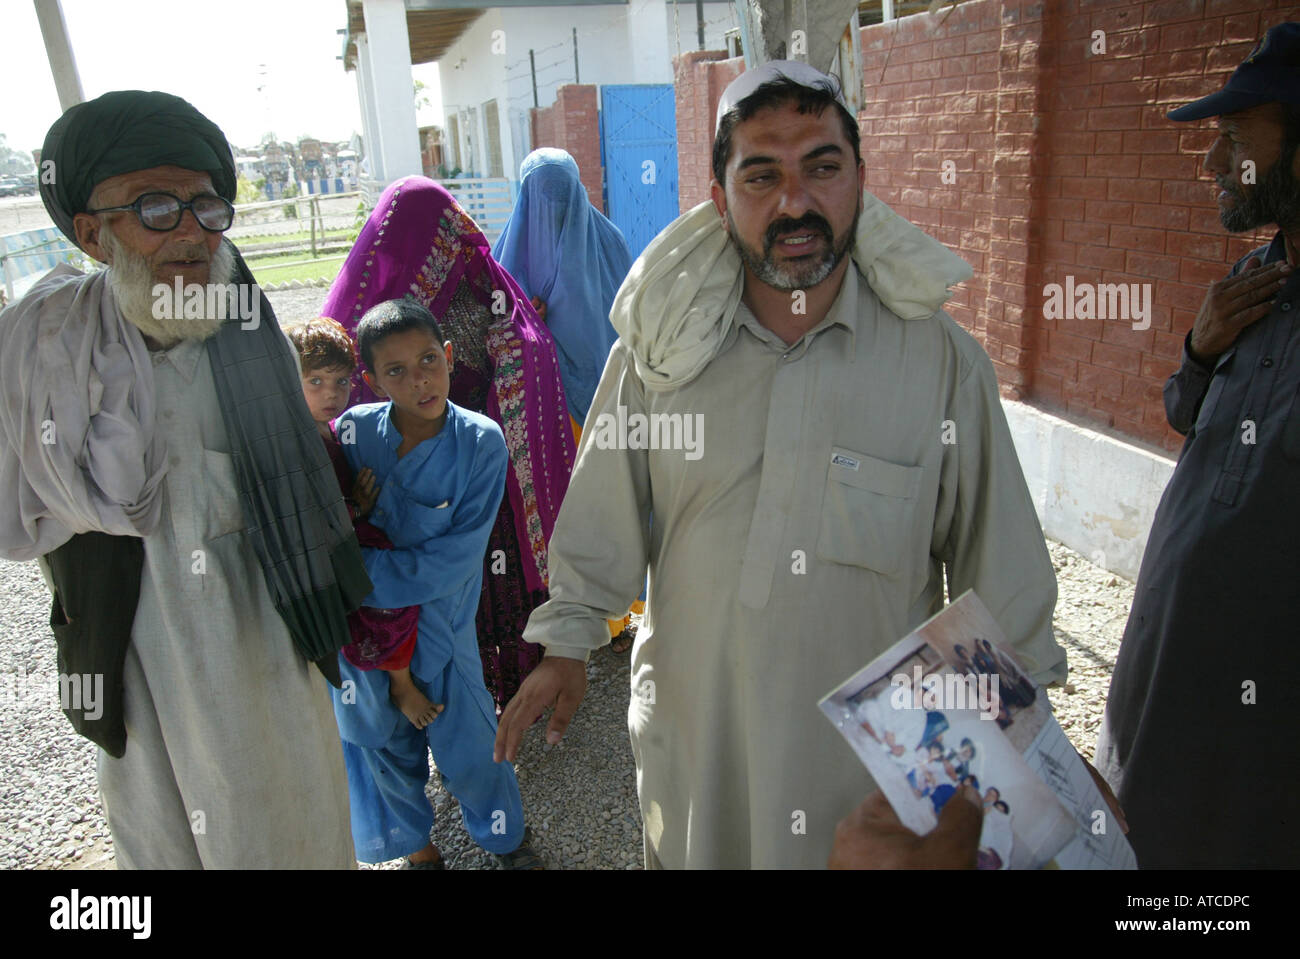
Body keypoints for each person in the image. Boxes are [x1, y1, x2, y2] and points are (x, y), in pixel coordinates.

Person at [496, 61, 1069, 868]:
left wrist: (1004, 768)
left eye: (822, 168)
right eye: (761, 174)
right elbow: (603, 511)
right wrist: (565, 643)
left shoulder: (940, 364)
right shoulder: (662, 355)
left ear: (861, 178)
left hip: (866, 780)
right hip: (702, 750)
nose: (794, 202)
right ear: (719, 192)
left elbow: (1001, 574)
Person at [0, 91, 367, 867]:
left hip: (267, 643)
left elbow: (298, 483)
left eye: (207, 205)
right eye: (157, 207)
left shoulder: (243, 326)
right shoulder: (51, 352)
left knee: (291, 830)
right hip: (132, 654)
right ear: (91, 234)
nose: (194, 233)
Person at [1096, 23, 1300, 868]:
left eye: (1234, 138)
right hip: (1163, 669)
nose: (1214, 164)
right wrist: (1200, 350)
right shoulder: (1257, 281)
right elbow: (1189, 413)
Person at [322, 177, 575, 711]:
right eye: (439, 230)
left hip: (490, 468)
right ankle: (437, 691)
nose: (457, 234)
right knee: (446, 595)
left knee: (494, 576)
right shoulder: (381, 317)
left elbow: (534, 350)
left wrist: (507, 360)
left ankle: (509, 684)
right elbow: (342, 401)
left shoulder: (481, 282)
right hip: (418, 486)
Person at [329, 298, 542, 869]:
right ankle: (419, 853)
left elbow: (455, 558)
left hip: (442, 631)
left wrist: (351, 578)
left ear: (450, 356)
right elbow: (327, 518)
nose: (419, 379)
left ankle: (506, 841)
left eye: (428, 360)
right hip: (367, 642)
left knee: (472, 746)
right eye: (395, 371)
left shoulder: (480, 441)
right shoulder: (350, 435)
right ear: (369, 381)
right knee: (383, 747)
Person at [492, 149, 642, 650]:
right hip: (537, 412)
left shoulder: (609, 243)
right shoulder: (504, 260)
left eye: (561, 195)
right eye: (541, 197)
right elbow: (488, 331)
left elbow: (633, 321)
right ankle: (554, 617)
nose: (550, 209)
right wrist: (522, 325)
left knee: (606, 504)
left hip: (604, 401)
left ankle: (614, 616)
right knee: (549, 510)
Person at [285, 317, 439, 729]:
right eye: (315, 382)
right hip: (331, 556)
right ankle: (400, 683)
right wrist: (359, 508)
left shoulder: (333, 431)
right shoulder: (294, 444)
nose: (331, 394)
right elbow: (308, 516)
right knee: (391, 590)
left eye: (340, 382)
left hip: (352, 537)